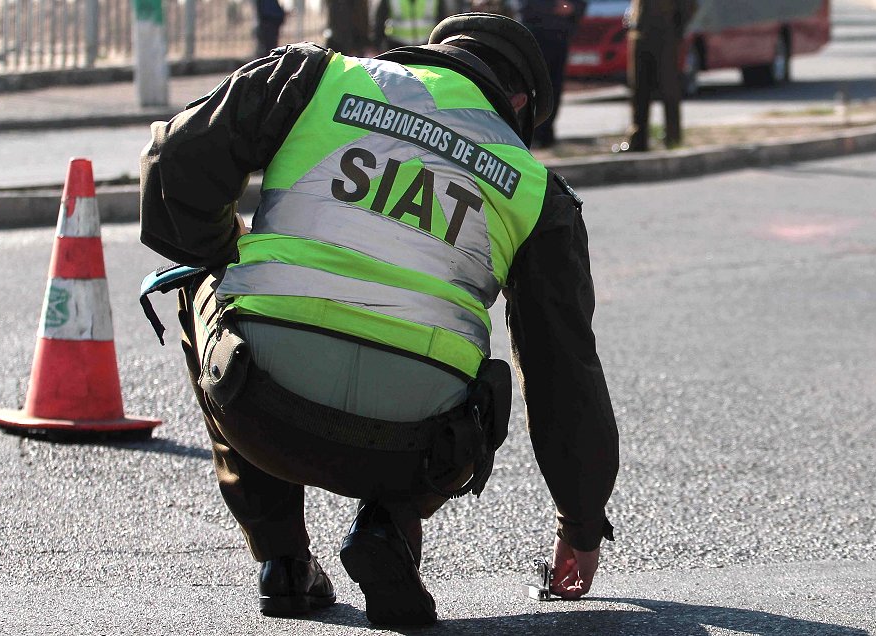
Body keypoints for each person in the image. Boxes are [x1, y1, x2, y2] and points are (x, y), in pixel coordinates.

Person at [139, 13, 618, 627]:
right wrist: (581, 525)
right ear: (520, 103)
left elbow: (172, 164)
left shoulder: (318, 77)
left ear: (427, 56)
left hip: (259, 405)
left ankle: (283, 564)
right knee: (476, 372)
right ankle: (387, 528)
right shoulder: (536, 189)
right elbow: (564, 372)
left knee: (200, 278)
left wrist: (219, 249)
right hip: (414, 449)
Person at [624, 0, 696, 151]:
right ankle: (638, 140)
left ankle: (672, 138)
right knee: (638, 91)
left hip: (665, 35)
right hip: (639, 33)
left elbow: (689, 6)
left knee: (668, 88)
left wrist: (676, 29)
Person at [516, 0, 586, 148]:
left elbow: (579, 5)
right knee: (534, 87)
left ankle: (546, 133)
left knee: (555, 87)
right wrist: (553, 8)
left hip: (560, 36)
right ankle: (531, 133)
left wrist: (572, 8)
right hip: (535, 36)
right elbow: (525, 6)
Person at [370, 0, 452, 51]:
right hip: (396, 46)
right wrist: (376, 46)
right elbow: (378, 22)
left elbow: (443, 21)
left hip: (427, 46)